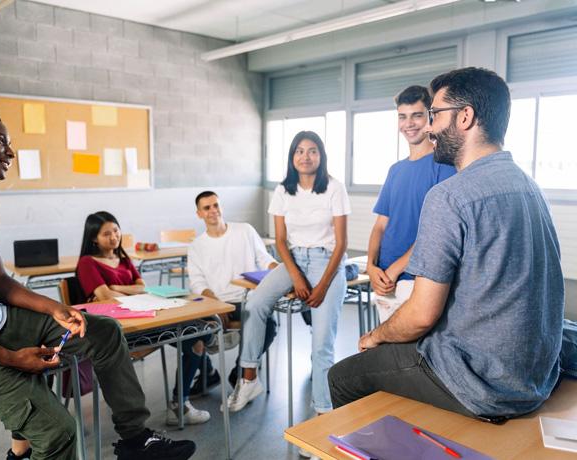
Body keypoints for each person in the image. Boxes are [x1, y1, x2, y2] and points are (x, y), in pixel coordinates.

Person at [0, 102, 195, 460]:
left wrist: (57, 308)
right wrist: (10, 358)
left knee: (101, 331)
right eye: (0, 141)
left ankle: (135, 440)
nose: (10, 152)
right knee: (58, 432)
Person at [328, 67, 564, 421]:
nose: (428, 127)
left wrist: (376, 336)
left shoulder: (450, 195)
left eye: (435, 115)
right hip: (533, 377)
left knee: (343, 376)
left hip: (481, 382)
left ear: (465, 117)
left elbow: (421, 315)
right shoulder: (529, 186)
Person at [228, 131, 350, 424]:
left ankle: (323, 418)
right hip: (293, 260)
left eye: (312, 151)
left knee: (321, 346)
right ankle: (249, 377)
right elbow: (280, 241)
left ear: (321, 156)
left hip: (328, 262)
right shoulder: (284, 190)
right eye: (299, 151)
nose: (305, 156)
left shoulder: (334, 187)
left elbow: (342, 243)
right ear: (292, 157)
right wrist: (296, 278)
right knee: (255, 303)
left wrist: (321, 287)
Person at [76, 211, 211, 426]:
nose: (114, 237)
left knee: (196, 338)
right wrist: (124, 292)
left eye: (116, 231)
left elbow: (142, 287)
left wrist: (117, 287)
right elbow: (104, 296)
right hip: (117, 332)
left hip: (145, 320)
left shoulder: (123, 258)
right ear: (93, 238)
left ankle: (180, 405)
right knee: (197, 334)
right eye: (106, 234)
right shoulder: (87, 263)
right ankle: (208, 370)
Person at [367, 85, 456, 323]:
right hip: (384, 279)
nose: (409, 123)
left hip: (416, 279)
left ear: (430, 118)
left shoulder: (444, 167)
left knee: (410, 357)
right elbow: (380, 225)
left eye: (417, 115)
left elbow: (435, 232)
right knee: (386, 354)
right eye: (402, 117)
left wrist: (395, 269)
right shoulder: (395, 171)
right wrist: (371, 266)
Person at [187, 190, 279, 392]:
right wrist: (217, 306)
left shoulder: (244, 230)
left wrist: (281, 271)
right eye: (207, 208)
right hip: (217, 304)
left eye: (216, 205)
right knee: (190, 330)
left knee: (269, 324)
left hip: (247, 300)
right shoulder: (196, 246)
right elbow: (197, 283)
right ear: (199, 214)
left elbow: (264, 259)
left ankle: (239, 375)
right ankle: (212, 375)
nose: (213, 211)